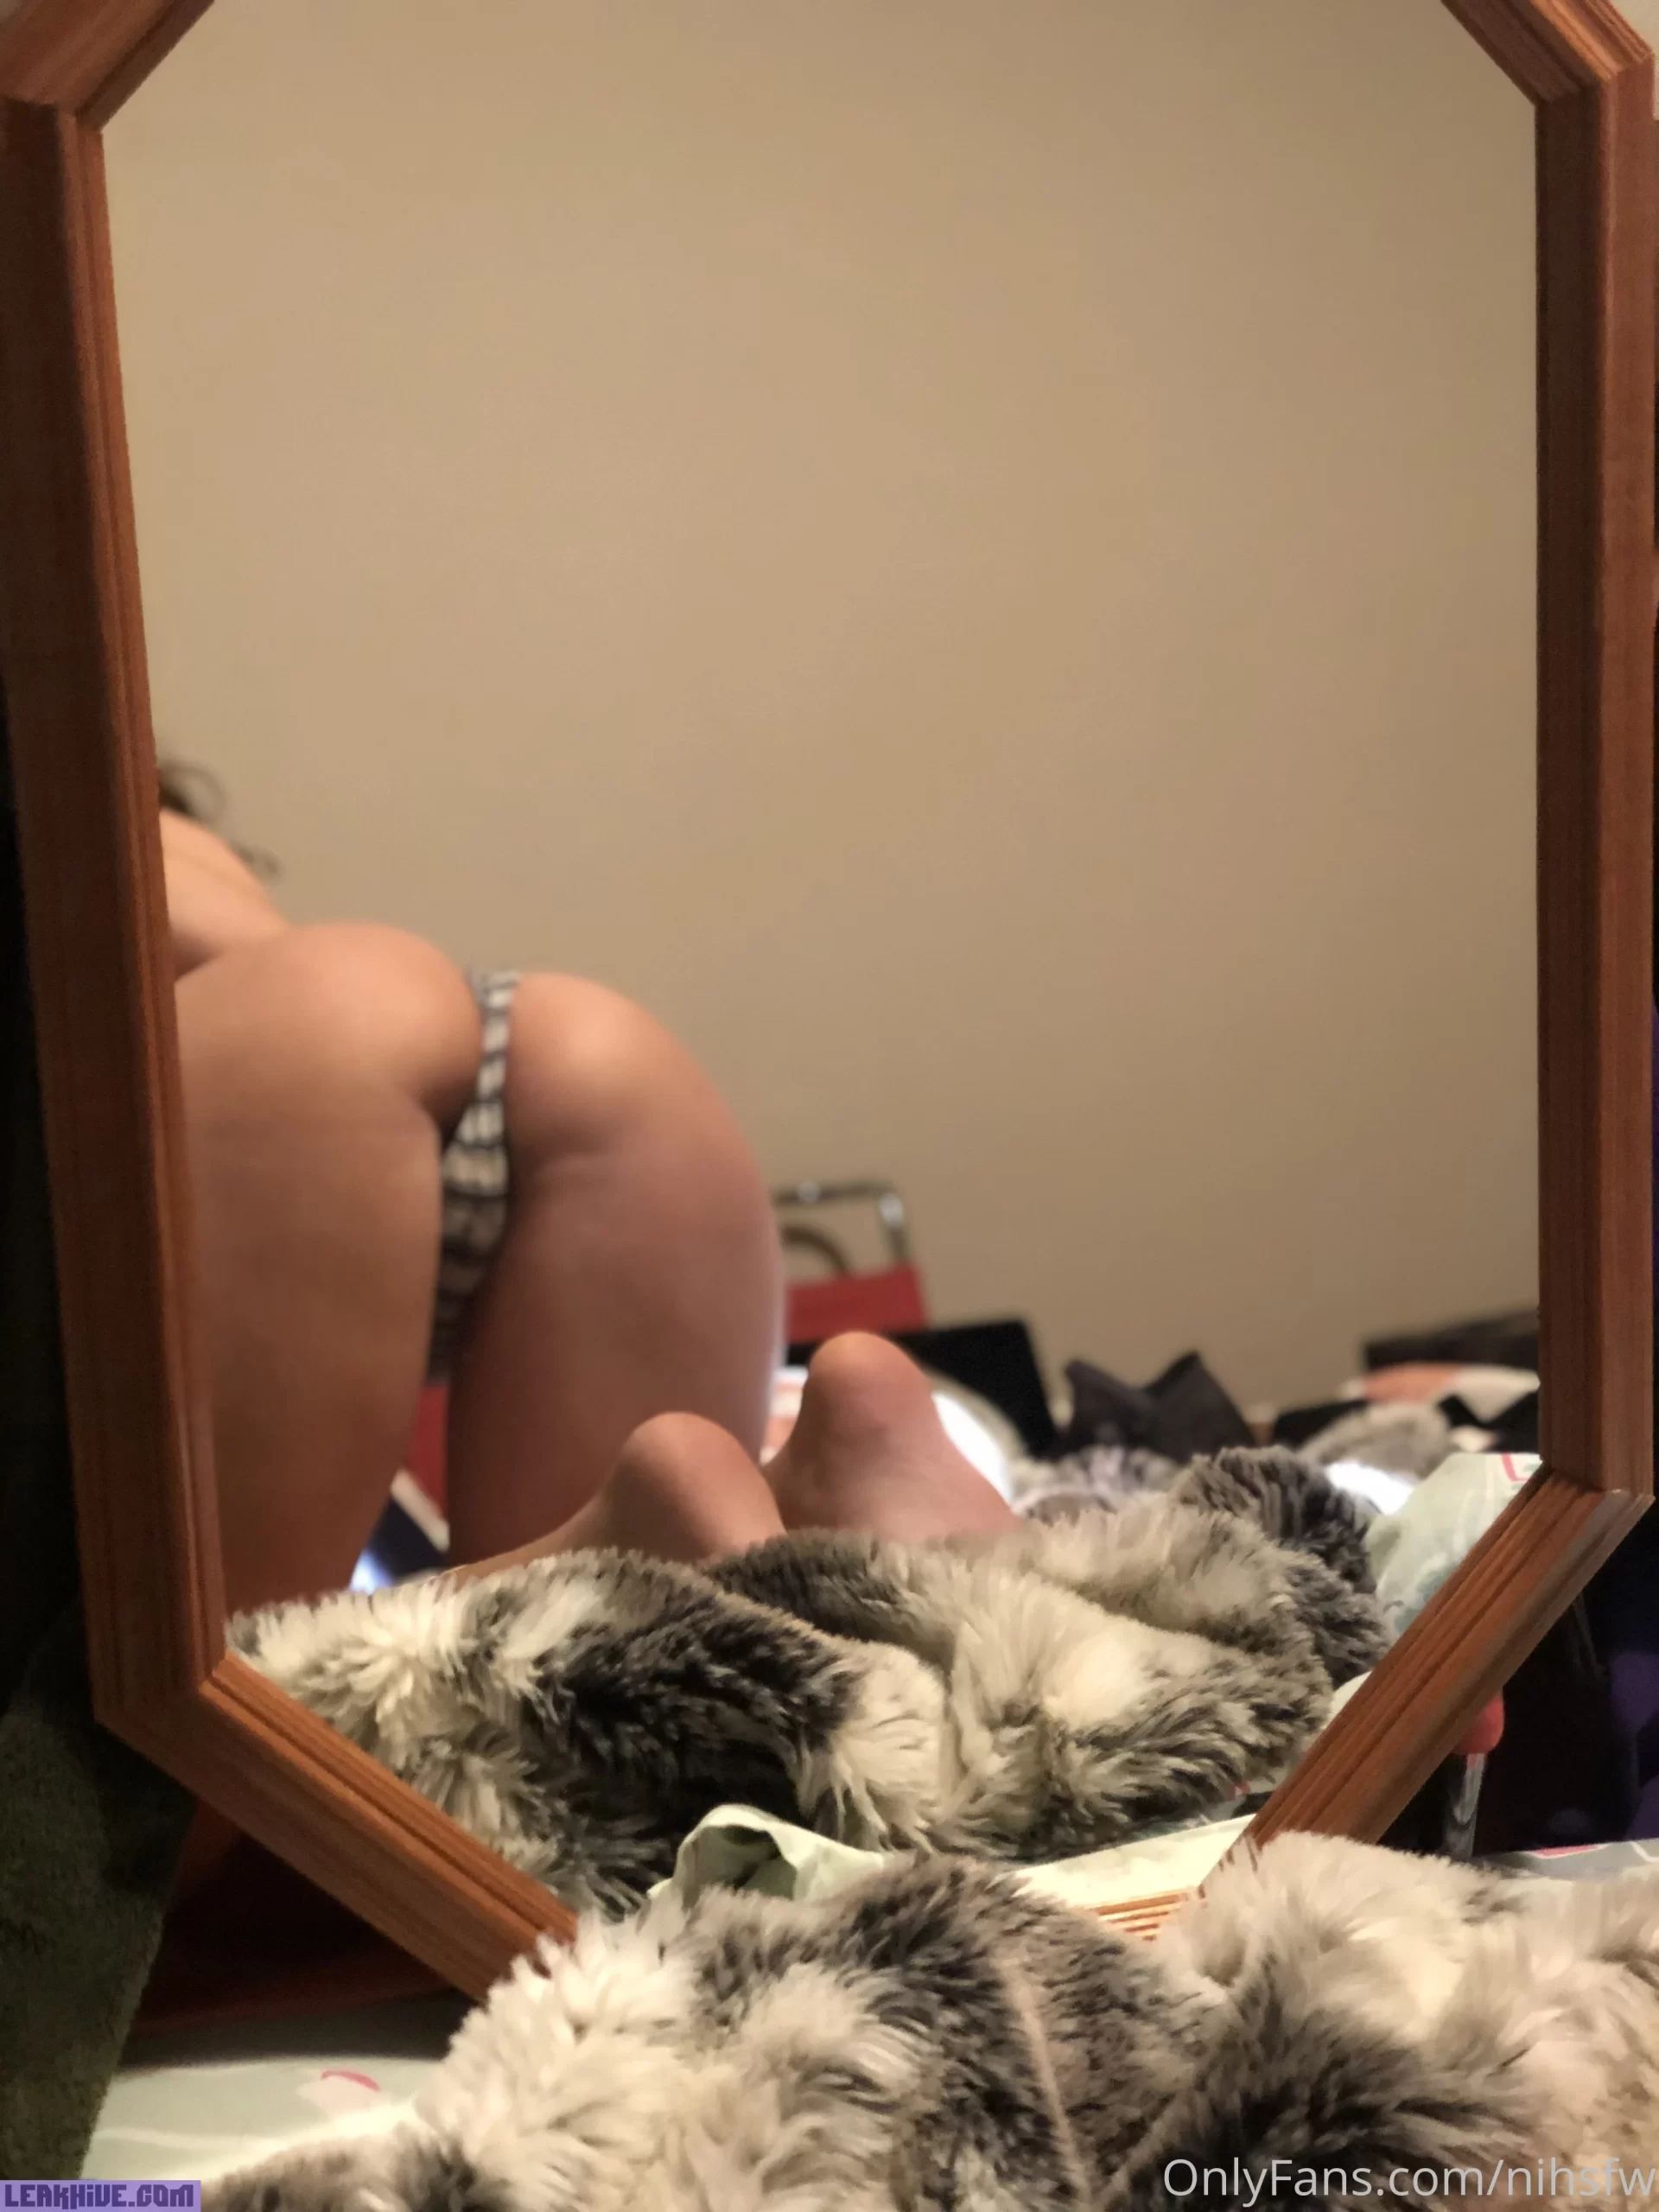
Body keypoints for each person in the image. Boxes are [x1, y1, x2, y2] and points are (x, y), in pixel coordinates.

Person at [161, 779, 1018, 1628]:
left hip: (293, 1050)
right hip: (592, 1059)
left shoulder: (88, 770)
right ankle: (787, 1522)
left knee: (220, 1679)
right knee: (615, 1647)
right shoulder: (184, 830)